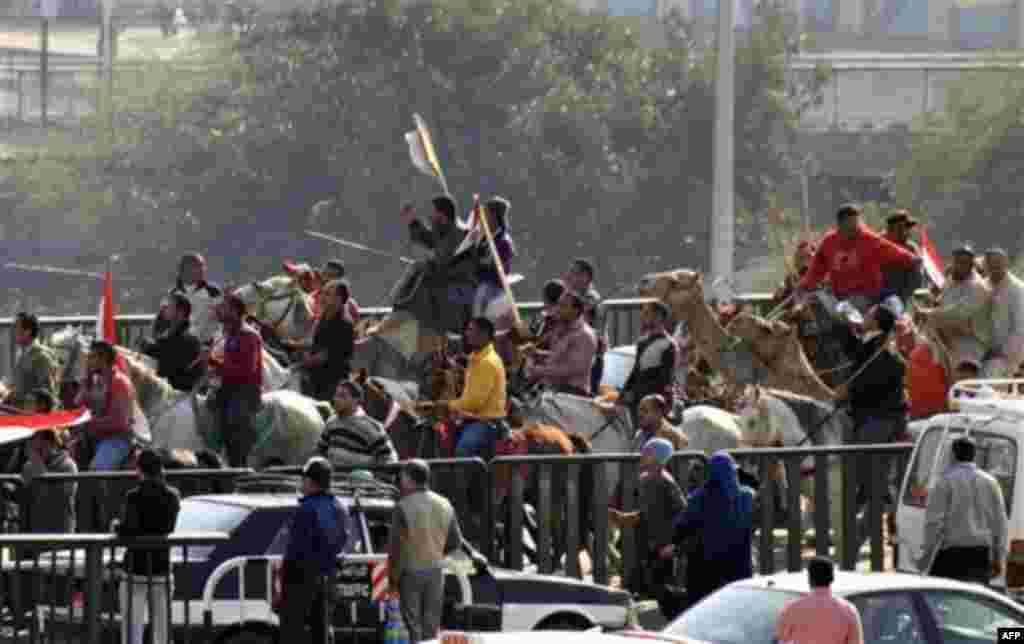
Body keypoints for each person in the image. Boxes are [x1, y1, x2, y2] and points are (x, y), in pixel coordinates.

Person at [834, 297, 907, 553]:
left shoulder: (886, 349)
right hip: (864, 419)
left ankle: (858, 540)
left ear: (875, 321)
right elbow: (852, 349)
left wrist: (849, 390)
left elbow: (884, 374)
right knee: (862, 483)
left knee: (872, 485)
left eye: (868, 314)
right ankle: (852, 539)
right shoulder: (869, 343)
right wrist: (841, 321)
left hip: (881, 420)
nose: (863, 316)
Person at [610, 438, 687, 620]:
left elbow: (682, 513)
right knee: (638, 584)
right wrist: (622, 518)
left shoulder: (664, 482)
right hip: (645, 542)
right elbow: (645, 513)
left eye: (647, 452)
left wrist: (672, 543)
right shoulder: (646, 479)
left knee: (660, 588)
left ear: (657, 458)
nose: (643, 455)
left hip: (660, 546)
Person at [388, 459, 463, 644]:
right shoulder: (445, 504)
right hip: (436, 572)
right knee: (431, 627)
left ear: (408, 479)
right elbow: (456, 542)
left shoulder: (402, 507)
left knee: (413, 625)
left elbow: (397, 549)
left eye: (403, 477)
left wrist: (392, 580)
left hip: (410, 573)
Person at [279, 457, 351, 644]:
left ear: (310, 481)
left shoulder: (306, 508)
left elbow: (295, 550)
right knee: (323, 631)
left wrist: (282, 582)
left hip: (302, 580)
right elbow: (342, 542)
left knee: (292, 632)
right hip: (329, 579)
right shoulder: (340, 507)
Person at [113, 449, 182, 644]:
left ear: (139, 470)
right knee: (162, 629)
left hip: (135, 569)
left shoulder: (133, 496)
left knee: (132, 629)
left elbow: (129, 530)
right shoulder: (173, 496)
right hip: (161, 567)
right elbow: (168, 526)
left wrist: (116, 526)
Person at [797, 203, 920, 312]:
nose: (856, 228)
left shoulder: (868, 239)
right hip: (839, 296)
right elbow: (815, 271)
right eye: (852, 224)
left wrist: (912, 259)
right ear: (840, 224)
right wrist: (804, 287)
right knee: (816, 305)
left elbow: (894, 251)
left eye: (857, 223)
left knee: (848, 308)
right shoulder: (829, 242)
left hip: (867, 296)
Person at [918, 436, 1008, 584]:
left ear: (952, 454)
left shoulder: (944, 482)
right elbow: (1000, 523)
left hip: (950, 557)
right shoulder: (991, 482)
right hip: (981, 555)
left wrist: (926, 556)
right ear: (974, 455)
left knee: (947, 602)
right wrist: (999, 557)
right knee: (974, 602)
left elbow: (934, 524)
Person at [385, 196, 478, 336]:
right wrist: (413, 222)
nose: (430, 216)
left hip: (458, 287)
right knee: (416, 272)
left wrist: (426, 263)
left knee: (420, 278)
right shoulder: (443, 230)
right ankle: (398, 309)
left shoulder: (458, 234)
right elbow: (428, 238)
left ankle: (404, 315)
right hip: (443, 281)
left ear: (442, 215)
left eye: (433, 212)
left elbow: (441, 261)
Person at [671, 451, 754, 605]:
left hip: (704, 569)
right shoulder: (747, 497)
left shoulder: (698, 499)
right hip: (739, 565)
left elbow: (680, 527)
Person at [202, 294, 263, 467]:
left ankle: (239, 467)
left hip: (243, 395)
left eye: (224, 308)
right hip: (227, 391)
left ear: (235, 312)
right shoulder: (229, 334)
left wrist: (215, 363)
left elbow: (245, 371)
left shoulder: (248, 336)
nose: (219, 311)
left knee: (235, 434)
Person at [435, 317, 507, 461]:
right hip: (472, 417)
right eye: (467, 330)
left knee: (464, 450)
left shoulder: (487, 362)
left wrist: (447, 405)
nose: (467, 334)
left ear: (485, 334)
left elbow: (474, 402)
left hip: (486, 422)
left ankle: (467, 483)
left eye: (471, 330)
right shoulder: (476, 358)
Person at [917, 244, 991, 372]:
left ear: (971, 265)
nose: (959, 266)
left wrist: (929, 313)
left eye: (964, 263)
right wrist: (932, 301)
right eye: (957, 261)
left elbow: (958, 312)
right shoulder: (952, 279)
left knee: (961, 377)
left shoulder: (977, 287)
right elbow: (943, 301)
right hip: (948, 339)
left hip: (970, 342)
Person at [81, 340, 152, 471]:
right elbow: (78, 404)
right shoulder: (96, 381)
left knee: (96, 470)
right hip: (97, 437)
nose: (87, 361)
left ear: (103, 359)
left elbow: (120, 422)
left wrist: (90, 423)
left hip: (118, 439)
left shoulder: (119, 383)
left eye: (91, 357)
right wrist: (86, 382)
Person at [21, 398, 77, 533]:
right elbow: (25, 498)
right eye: (33, 440)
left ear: (52, 443)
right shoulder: (29, 466)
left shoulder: (68, 466)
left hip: (60, 535)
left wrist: (38, 466)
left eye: (41, 440)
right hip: (35, 533)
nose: (35, 445)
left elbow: (56, 498)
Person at [526, 290, 598, 397]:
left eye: (563, 306)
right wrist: (537, 353)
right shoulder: (561, 327)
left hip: (571, 392)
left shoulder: (584, 335)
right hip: (552, 389)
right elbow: (561, 355)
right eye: (558, 305)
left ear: (576, 310)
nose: (557, 309)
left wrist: (538, 370)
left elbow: (571, 368)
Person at [776, 557, 864, 644]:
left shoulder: (792, 609)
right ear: (832, 579)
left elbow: (781, 639)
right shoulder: (848, 610)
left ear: (810, 579)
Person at [619, 301, 677, 426]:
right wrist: (622, 396)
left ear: (659, 317)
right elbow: (636, 371)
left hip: (654, 404)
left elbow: (665, 379)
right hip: (637, 400)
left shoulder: (668, 344)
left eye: (647, 313)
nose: (643, 316)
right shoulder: (642, 342)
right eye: (643, 313)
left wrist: (637, 393)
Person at [317, 381, 398, 468]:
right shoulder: (331, 422)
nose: (336, 399)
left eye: (342, 396)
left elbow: (389, 460)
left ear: (356, 400)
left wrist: (356, 462)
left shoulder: (370, 427)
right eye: (336, 395)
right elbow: (320, 451)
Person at [299, 280, 355, 401]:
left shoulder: (344, 323)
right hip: (315, 374)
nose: (322, 297)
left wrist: (303, 363)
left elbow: (325, 355)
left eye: (328, 294)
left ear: (339, 299)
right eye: (323, 293)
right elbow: (314, 343)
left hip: (331, 382)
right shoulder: (323, 317)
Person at [140, 293, 202, 392]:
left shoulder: (188, 338)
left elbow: (167, 366)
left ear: (180, 312)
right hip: (167, 394)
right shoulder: (169, 334)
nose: (163, 309)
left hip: (180, 397)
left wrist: (149, 348)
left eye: (168, 307)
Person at [470, 196, 517, 322]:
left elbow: (494, 269)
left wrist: (477, 263)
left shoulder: (503, 242)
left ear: (494, 217)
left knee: (482, 293)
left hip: (491, 289)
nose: (482, 218)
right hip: (478, 282)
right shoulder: (485, 237)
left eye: (486, 214)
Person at [159, 253, 222, 345]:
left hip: (207, 347)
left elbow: (223, 318)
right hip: (180, 347)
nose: (203, 269)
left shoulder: (213, 292)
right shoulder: (172, 294)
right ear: (184, 269)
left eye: (203, 266)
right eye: (198, 266)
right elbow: (163, 321)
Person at [564, 258, 607, 394]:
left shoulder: (592, 299)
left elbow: (595, 332)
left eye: (574, 273)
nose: (569, 277)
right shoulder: (574, 297)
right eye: (570, 273)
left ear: (586, 277)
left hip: (590, 360)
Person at [982, 247, 1024, 378]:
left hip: (1007, 355)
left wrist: (1001, 352)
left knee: (987, 384)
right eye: (991, 266)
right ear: (985, 266)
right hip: (983, 352)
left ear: (1006, 264)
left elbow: (1020, 329)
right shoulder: (982, 286)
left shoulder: (1017, 290)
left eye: (998, 265)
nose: (995, 269)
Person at [6, 312, 58, 411]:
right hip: (19, 412)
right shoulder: (22, 353)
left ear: (27, 331)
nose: (13, 332)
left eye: (16, 328)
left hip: (32, 416)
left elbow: (48, 395)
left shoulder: (42, 357)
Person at [881, 209, 923, 305]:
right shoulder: (877, 245)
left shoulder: (911, 248)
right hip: (876, 298)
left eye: (907, 227)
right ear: (890, 229)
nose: (906, 231)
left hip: (901, 300)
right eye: (901, 228)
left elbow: (916, 280)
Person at [320, 260, 360, 324]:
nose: (326, 279)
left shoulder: (350, 305)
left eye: (331, 275)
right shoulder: (312, 299)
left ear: (340, 279)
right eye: (324, 274)